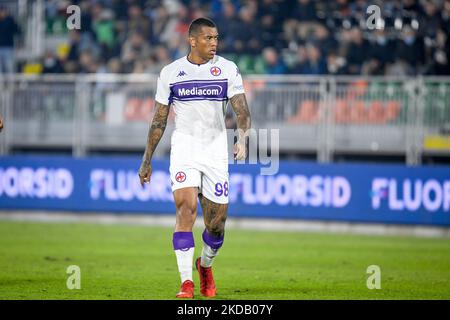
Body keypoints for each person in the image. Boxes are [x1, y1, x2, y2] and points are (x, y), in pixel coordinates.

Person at [138, 18, 251, 299]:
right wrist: (147, 160)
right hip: (185, 149)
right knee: (185, 209)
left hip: (214, 151)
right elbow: (159, 121)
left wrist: (243, 140)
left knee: (216, 225)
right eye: (209, 38)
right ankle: (186, 283)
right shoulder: (171, 73)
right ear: (193, 40)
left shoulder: (227, 69)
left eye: (216, 38)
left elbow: (242, 111)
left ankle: (205, 265)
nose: (214, 43)